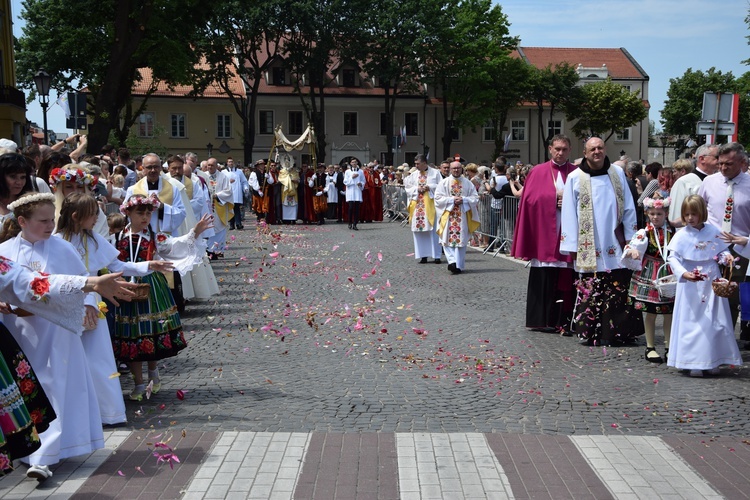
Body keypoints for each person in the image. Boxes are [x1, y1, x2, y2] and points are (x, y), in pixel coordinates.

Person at [0, 193, 103, 479]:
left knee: (55, 386)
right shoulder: (5, 250)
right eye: (42, 221)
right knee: (24, 390)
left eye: (51, 220)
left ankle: (45, 455)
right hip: (19, 333)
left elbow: (82, 280)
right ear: (22, 221)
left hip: (56, 332)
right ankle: (27, 447)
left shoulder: (62, 248)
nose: (49, 226)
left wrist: (89, 304)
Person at [54, 193, 173, 425]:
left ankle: (103, 410)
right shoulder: (58, 241)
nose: (98, 218)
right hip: (67, 304)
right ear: (77, 217)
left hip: (93, 305)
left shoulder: (94, 240)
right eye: (93, 214)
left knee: (97, 359)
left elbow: (118, 265)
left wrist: (148, 265)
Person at [112, 195, 212, 401]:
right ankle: (139, 383)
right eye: (140, 212)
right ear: (127, 213)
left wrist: (195, 232)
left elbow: (176, 245)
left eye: (149, 213)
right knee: (132, 334)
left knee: (151, 330)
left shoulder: (155, 236)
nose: (145, 217)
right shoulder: (117, 236)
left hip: (152, 287)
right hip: (126, 287)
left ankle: (154, 373)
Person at [560, 137, 644, 346]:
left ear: (605, 150)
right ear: (585, 152)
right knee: (592, 287)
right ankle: (591, 332)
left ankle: (621, 332)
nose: (597, 152)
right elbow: (569, 213)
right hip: (588, 242)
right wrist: (572, 246)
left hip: (615, 239)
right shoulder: (574, 177)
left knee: (619, 285)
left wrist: (631, 239)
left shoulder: (616, 174)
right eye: (592, 149)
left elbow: (628, 208)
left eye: (600, 148)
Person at [667, 195, 741, 376]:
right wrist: (683, 273)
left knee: (714, 320)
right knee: (691, 321)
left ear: (702, 213)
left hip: (711, 282)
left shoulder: (712, 231)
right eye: (686, 214)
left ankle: (712, 359)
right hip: (691, 281)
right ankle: (692, 361)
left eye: (694, 214)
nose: (690, 218)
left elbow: (721, 251)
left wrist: (727, 258)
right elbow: (673, 258)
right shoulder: (681, 235)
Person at [511, 135, 577, 334]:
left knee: (566, 279)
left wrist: (566, 202)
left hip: (568, 234)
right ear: (550, 149)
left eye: (564, 149)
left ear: (570, 150)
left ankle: (564, 321)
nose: (560, 153)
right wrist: (552, 201)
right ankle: (541, 319)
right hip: (544, 235)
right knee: (544, 278)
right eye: (557, 148)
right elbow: (529, 200)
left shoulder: (576, 172)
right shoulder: (537, 171)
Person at [699, 142, 750, 348]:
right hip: (712, 246)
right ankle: (708, 338)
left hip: (740, 249)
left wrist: (746, 240)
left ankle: (726, 342)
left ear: (742, 162)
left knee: (731, 295)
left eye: (728, 164)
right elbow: (698, 210)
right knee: (707, 292)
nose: (723, 168)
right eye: (720, 164)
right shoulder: (710, 182)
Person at [620, 197, 675, 363]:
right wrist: (633, 252)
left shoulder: (672, 232)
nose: (656, 217)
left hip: (668, 272)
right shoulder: (644, 232)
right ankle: (650, 346)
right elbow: (630, 246)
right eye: (652, 214)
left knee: (669, 313)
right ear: (647, 214)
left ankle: (669, 346)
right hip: (650, 272)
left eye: (659, 214)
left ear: (666, 214)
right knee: (650, 312)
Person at [434, 161, 480, 274]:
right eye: (454, 168)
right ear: (450, 169)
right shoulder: (443, 183)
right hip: (448, 215)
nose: (456, 170)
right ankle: (452, 262)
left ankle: (459, 265)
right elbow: (438, 198)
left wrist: (464, 200)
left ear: (462, 169)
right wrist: (451, 200)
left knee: (461, 240)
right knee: (446, 239)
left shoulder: (468, 183)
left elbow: (475, 197)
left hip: (462, 215)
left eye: (458, 168)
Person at [124, 153, 186, 235]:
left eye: (156, 167)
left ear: (160, 168)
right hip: (141, 236)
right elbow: (125, 212)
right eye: (149, 167)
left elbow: (181, 213)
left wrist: (162, 207)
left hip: (165, 238)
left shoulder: (173, 189)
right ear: (143, 168)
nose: (153, 170)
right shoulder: (133, 190)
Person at [405, 154, 442, 264]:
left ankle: (436, 256)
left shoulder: (435, 173)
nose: (416, 166)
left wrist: (429, 187)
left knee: (433, 230)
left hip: (431, 206)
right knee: (419, 231)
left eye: (418, 163)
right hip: (418, 206)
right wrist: (417, 188)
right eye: (415, 163)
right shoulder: (413, 175)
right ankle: (423, 255)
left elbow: (441, 187)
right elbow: (407, 187)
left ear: (424, 163)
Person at [205, 157, 233, 258]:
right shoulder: (204, 176)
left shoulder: (223, 177)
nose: (210, 167)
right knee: (209, 228)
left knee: (220, 228)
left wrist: (218, 195)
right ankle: (210, 251)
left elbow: (228, 191)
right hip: (208, 207)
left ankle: (219, 250)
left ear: (217, 166)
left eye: (212, 165)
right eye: (208, 165)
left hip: (219, 206)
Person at [226, 157, 248, 229]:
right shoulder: (224, 172)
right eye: (229, 162)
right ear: (227, 163)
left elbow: (244, 181)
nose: (231, 163)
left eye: (232, 162)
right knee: (230, 209)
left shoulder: (239, 172)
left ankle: (238, 223)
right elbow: (221, 182)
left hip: (237, 192)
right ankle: (231, 224)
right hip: (228, 193)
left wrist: (245, 188)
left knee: (237, 209)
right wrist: (228, 181)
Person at [344, 158, 364, 230]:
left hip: (357, 191)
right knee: (351, 207)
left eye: (355, 162)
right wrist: (352, 178)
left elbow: (363, 180)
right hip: (351, 191)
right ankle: (350, 222)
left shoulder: (361, 171)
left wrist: (361, 184)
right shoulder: (347, 172)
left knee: (357, 209)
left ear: (357, 163)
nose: (354, 163)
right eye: (353, 162)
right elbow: (345, 181)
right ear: (351, 163)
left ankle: (355, 223)